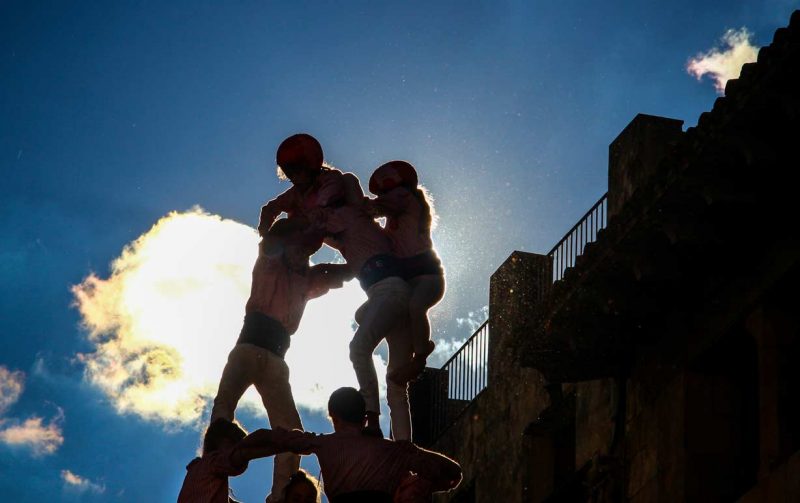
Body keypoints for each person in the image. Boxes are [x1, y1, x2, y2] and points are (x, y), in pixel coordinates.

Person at [257, 134, 413, 440]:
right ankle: (404, 446)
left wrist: (278, 243)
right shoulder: (314, 204)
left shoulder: (335, 201)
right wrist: (266, 235)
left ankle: (371, 420)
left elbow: (315, 216)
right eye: (289, 173)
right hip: (383, 287)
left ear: (312, 165)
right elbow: (273, 207)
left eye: (298, 171)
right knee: (397, 382)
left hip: (390, 287)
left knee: (359, 349)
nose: (294, 179)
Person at [210, 217, 352, 502]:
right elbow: (271, 242)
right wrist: (307, 222)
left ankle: (279, 495)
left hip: (274, 359)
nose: (303, 252)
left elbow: (346, 273)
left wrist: (343, 234)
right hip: (250, 347)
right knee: (224, 408)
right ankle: (213, 476)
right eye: (298, 245)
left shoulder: (306, 278)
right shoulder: (270, 261)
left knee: (290, 430)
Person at [280, 387, 462, 502]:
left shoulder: (324, 444)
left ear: (333, 417)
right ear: (365, 420)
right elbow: (453, 473)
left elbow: (272, 439)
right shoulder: (392, 451)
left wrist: (249, 449)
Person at [367, 161, 445, 385]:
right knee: (396, 313)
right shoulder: (394, 219)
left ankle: (420, 356)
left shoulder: (405, 199)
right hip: (411, 278)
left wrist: (359, 208)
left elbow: (378, 208)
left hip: (427, 276)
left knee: (415, 307)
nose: (384, 196)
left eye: (385, 192)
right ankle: (411, 354)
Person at [177, 419, 302, 503]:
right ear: (223, 441)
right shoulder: (212, 462)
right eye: (233, 443)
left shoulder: (198, 471)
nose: (234, 449)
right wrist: (287, 443)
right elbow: (245, 451)